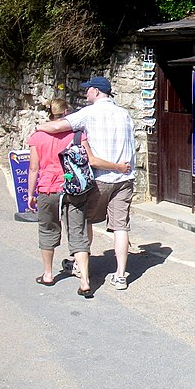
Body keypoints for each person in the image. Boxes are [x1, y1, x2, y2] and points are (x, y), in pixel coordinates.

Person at [35, 76, 136, 290]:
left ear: (97, 92)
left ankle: (81, 268)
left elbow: (57, 127)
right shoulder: (124, 114)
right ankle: (120, 275)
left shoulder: (88, 113)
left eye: (88, 90)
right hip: (125, 178)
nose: (85, 93)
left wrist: (39, 127)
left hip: (98, 178)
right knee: (120, 227)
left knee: (84, 221)